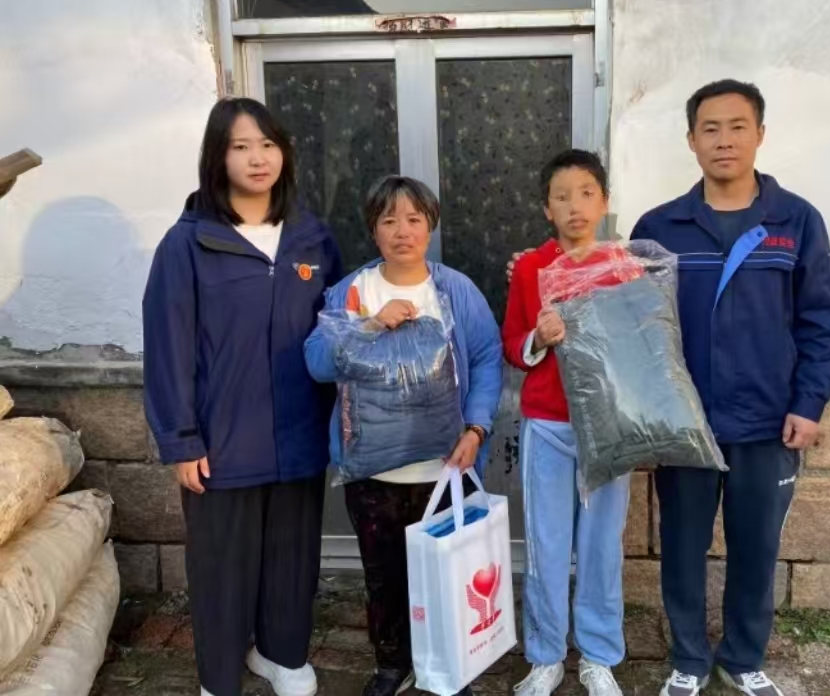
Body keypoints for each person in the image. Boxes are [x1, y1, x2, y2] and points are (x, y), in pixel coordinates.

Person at [630, 80, 830, 696]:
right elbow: (634, 326)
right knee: (682, 549)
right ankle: (689, 660)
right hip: (685, 425)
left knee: (755, 549)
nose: (723, 140)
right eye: (710, 128)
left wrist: (808, 404)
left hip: (766, 422)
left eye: (737, 126)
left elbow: (822, 320)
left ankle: (744, 657)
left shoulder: (796, 221)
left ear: (760, 134)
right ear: (691, 140)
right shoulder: (660, 226)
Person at [143, 97, 343, 696]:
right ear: (217, 157)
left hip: (300, 432)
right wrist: (181, 438)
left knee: (292, 557)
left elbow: (340, 328)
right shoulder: (189, 244)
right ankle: (219, 676)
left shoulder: (312, 238)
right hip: (222, 439)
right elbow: (168, 345)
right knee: (222, 566)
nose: (258, 158)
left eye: (268, 144)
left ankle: (281, 655)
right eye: (240, 146)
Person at [304, 176, 504, 696]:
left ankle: (450, 663)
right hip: (373, 474)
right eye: (389, 220)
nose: (402, 231)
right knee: (384, 576)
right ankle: (392, 664)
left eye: (414, 219)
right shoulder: (352, 291)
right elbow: (318, 362)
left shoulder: (455, 290)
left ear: (430, 226)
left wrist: (477, 427)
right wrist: (369, 325)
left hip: (446, 469)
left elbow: (486, 358)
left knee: (447, 575)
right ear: (373, 229)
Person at [502, 150, 631, 696]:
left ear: (604, 202)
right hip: (548, 426)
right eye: (561, 196)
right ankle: (545, 656)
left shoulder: (623, 268)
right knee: (547, 545)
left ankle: (599, 656)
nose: (574, 206)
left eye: (586, 193)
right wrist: (539, 337)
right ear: (546, 209)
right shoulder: (531, 269)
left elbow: (643, 348)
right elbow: (512, 343)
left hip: (607, 427)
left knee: (602, 547)